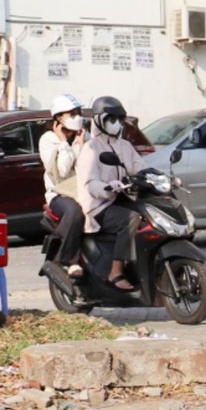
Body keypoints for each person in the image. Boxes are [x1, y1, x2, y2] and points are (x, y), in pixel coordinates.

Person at [81, 96, 145, 292]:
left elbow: (140, 168)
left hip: (121, 199)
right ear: (100, 120)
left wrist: (158, 178)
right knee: (130, 218)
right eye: (111, 118)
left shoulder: (124, 145)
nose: (116, 123)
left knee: (151, 213)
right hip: (98, 206)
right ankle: (115, 271)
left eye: (119, 119)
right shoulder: (91, 148)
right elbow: (90, 183)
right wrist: (106, 187)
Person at [38, 93, 88, 276]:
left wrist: (81, 143)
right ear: (58, 118)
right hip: (60, 194)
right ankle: (67, 260)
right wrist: (65, 143)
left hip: (84, 191)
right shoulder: (48, 140)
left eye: (78, 113)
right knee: (75, 211)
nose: (77, 118)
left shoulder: (83, 135)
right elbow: (63, 170)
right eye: (71, 114)